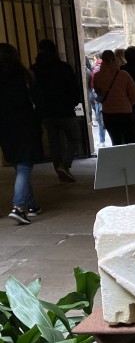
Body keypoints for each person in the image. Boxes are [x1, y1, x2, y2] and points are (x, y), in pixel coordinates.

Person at [0, 43, 42, 225]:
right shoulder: (25, 75)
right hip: (24, 123)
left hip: (4, 125)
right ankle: (18, 207)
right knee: (24, 164)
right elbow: (36, 98)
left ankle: (32, 205)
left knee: (20, 165)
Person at [30, 39, 82, 183]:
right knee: (74, 137)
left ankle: (60, 169)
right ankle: (65, 165)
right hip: (65, 109)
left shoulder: (34, 69)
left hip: (46, 112)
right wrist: (74, 103)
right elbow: (73, 88)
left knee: (54, 143)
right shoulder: (63, 67)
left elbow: (33, 91)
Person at [92, 49, 135, 146]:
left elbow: (98, 92)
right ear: (114, 59)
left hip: (108, 113)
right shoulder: (123, 75)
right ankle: (130, 160)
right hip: (125, 112)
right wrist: (127, 104)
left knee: (116, 141)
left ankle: (119, 160)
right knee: (129, 140)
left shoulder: (97, 76)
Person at [90, 52, 107, 147]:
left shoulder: (95, 70)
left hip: (99, 99)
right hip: (110, 99)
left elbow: (93, 85)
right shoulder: (112, 69)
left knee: (100, 121)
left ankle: (102, 140)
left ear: (97, 58)